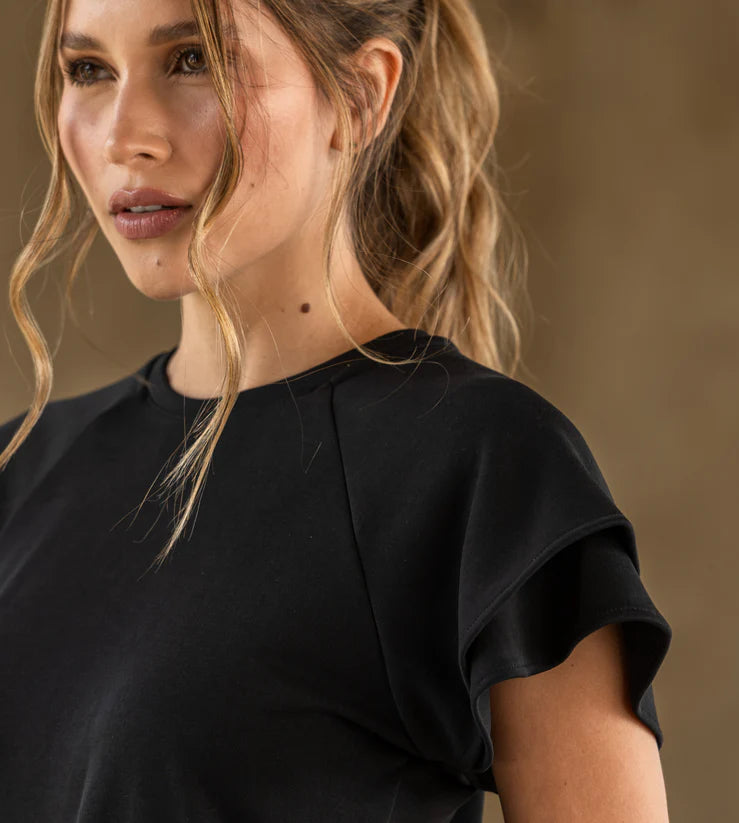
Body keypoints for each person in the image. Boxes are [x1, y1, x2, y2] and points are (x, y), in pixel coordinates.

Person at [0, 0, 672, 821]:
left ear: (359, 96)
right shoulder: (18, 474)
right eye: (88, 70)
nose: (122, 137)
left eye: (193, 60)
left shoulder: (481, 471)